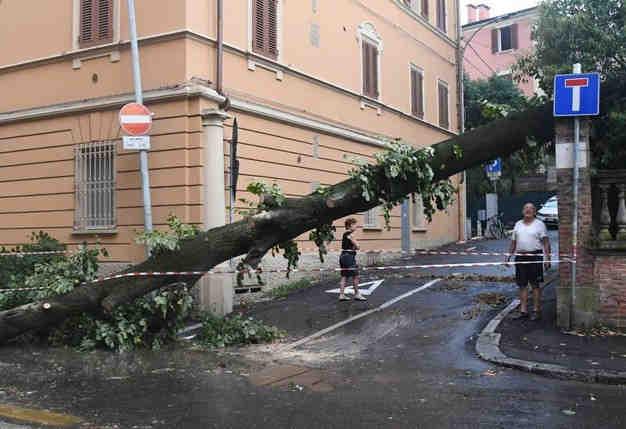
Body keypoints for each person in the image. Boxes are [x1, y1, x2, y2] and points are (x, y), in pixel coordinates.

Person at [506, 202, 552, 321]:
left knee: (535, 285)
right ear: (522, 211)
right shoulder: (518, 224)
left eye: (531, 208)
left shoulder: (539, 225)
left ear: (534, 212)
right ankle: (523, 311)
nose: (528, 210)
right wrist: (508, 256)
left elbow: (546, 242)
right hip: (520, 257)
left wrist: (548, 259)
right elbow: (513, 243)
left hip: (535, 257)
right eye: (526, 208)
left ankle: (536, 310)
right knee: (522, 285)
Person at [339, 218, 366, 302]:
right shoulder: (350, 234)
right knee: (355, 276)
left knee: (344, 276)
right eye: (355, 224)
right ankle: (357, 294)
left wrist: (354, 246)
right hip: (349, 257)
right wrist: (357, 245)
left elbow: (351, 246)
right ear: (350, 225)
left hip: (343, 256)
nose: (356, 226)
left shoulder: (345, 234)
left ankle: (342, 295)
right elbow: (357, 246)